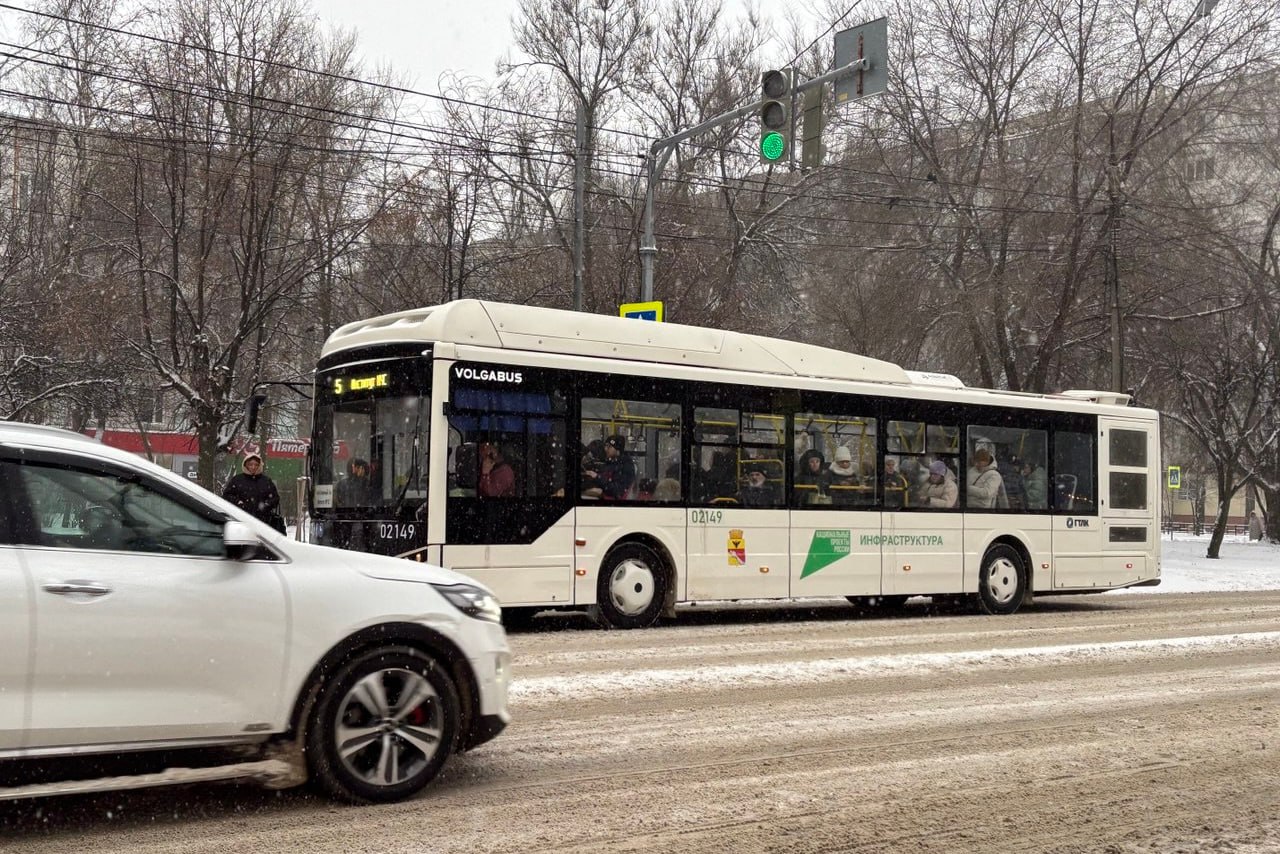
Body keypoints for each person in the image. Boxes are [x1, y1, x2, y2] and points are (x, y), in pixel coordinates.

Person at [222, 452, 286, 534]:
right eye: (250, 464)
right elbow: (227, 495)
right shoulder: (237, 480)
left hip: (264, 523)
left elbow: (275, 498)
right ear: (245, 465)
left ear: (260, 466)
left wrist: (265, 506)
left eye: (256, 465)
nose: (253, 467)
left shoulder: (266, 481)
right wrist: (239, 503)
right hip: (241, 521)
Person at [584, 434, 635, 500]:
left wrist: (597, 477)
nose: (606, 449)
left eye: (609, 447)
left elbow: (618, 490)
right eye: (605, 446)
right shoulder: (611, 462)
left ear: (617, 449)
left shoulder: (625, 465)